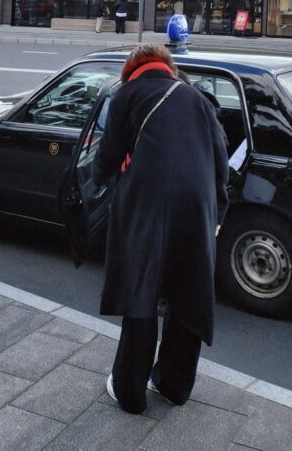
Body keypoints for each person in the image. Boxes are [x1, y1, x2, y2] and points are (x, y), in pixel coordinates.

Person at [93, 44, 229, 414]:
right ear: (168, 68)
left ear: (131, 70)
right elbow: (220, 161)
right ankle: (173, 385)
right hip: (196, 210)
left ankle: (130, 392)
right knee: (188, 295)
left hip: (146, 210)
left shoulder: (126, 96)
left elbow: (106, 156)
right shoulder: (198, 99)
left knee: (141, 292)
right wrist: (217, 213)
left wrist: (100, 174)